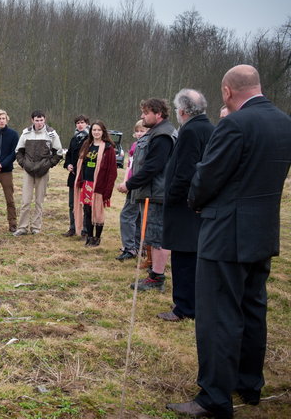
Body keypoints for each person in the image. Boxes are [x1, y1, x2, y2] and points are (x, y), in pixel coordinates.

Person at [167, 65, 291, 418]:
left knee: (219, 316)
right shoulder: (284, 122)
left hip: (226, 235)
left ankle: (214, 397)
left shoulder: (234, 125)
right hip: (263, 232)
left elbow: (207, 177)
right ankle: (249, 383)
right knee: (253, 310)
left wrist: (194, 201)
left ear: (226, 92)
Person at [157, 89, 214, 322]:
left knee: (183, 258)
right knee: (193, 257)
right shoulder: (209, 128)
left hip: (185, 205)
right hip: (199, 202)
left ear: (182, 111)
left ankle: (184, 307)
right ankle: (192, 303)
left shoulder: (191, 131)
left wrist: (171, 197)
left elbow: (185, 170)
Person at [117, 98, 175, 291]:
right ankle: (154, 273)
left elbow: (153, 167)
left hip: (157, 193)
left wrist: (130, 184)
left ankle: (157, 278)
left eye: (146, 112)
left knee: (157, 236)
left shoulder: (163, 136)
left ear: (158, 113)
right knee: (152, 235)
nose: (142, 116)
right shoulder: (156, 133)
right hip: (151, 191)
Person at [14, 110, 63, 236]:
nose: (39, 122)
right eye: (37, 120)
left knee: (39, 201)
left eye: (41, 120)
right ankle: (22, 227)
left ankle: (36, 227)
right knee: (25, 201)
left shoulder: (51, 134)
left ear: (44, 119)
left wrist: (49, 164)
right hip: (28, 170)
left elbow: (58, 152)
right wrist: (23, 163)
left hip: (43, 170)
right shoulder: (26, 133)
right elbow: (18, 151)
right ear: (32, 120)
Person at [74, 120, 117, 247]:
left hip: (98, 185)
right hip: (86, 183)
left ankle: (97, 238)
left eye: (99, 130)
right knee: (87, 210)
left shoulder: (108, 149)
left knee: (97, 212)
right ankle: (89, 236)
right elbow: (81, 163)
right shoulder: (87, 145)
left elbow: (112, 172)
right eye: (94, 130)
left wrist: (107, 190)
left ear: (103, 132)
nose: (96, 132)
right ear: (90, 131)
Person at [115, 120, 147, 261]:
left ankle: (131, 247)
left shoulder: (146, 146)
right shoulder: (135, 146)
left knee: (128, 215)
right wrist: (125, 181)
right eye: (137, 131)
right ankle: (136, 246)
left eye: (142, 131)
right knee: (136, 215)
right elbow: (129, 166)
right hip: (131, 184)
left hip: (139, 186)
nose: (139, 134)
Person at [62, 115, 89, 237]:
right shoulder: (74, 138)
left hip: (84, 176)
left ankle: (85, 229)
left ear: (87, 124)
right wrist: (68, 165)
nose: (80, 125)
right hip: (73, 176)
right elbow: (68, 155)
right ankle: (72, 227)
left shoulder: (90, 138)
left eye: (82, 122)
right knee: (72, 203)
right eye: (78, 123)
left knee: (84, 203)